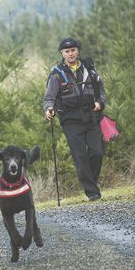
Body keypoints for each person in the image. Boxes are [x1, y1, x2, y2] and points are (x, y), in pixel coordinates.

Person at [44, 38, 106, 201]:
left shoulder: (90, 70)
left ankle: (90, 182)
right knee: (80, 156)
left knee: (97, 153)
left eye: (73, 50)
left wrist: (100, 102)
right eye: (67, 51)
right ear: (62, 54)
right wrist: (49, 109)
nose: (70, 53)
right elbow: (49, 97)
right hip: (70, 120)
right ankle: (92, 192)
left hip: (92, 116)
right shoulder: (57, 73)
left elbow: (101, 91)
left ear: (77, 51)